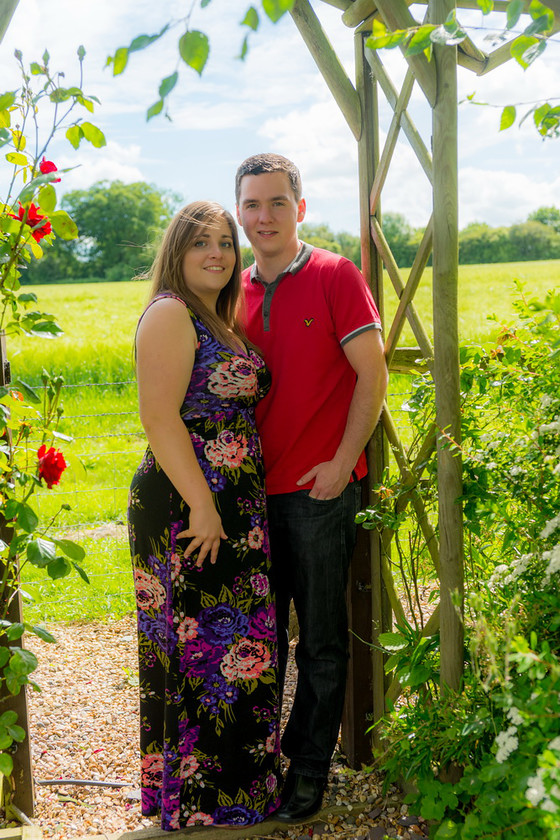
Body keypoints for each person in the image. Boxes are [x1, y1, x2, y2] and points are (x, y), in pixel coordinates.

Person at [235, 154, 388, 822]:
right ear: (238, 211)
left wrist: (342, 461)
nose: (263, 217)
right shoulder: (229, 287)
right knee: (257, 638)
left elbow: (372, 374)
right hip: (249, 497)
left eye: (275, 202)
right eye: (251, 204)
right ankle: (264, 759)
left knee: (320, 640)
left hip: (319, 493)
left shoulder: (334, 275)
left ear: (300, 207)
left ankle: (309, 772)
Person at [127, 201, 282, 831]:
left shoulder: (216, 319)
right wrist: (201, 504)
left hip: (229, 507)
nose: (217, 253)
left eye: (224, 242)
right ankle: (194, 807)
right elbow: (160, 417)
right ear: (177, 252)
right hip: (187, 507)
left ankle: (235, 797)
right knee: (196, 648)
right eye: (201, 244)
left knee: (239, 651)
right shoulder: (169, 313)